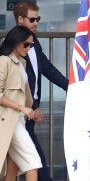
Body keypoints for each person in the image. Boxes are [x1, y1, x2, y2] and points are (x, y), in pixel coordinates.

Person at [13, 1, 69, 181]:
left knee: (14, 168)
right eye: (32, 19)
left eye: (38, 18)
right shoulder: (13, 48)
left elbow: (47, 68)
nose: (36, 22)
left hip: (25, 118)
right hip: (15, 116)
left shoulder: (33, 44)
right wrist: (34, 106)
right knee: (36, 164)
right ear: (20, 19)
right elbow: (20, 82)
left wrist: (71, 88)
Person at [0, 25, 42, 181]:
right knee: (32, 163)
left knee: (13, 166)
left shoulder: (21, 63)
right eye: (26, 44)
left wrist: (34, 109)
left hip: (18, 121)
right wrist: (21, 107)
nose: (28, 48)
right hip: (8, 120)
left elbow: (26, 96)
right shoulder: (4, 61)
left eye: (31, 45)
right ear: (15, 41)